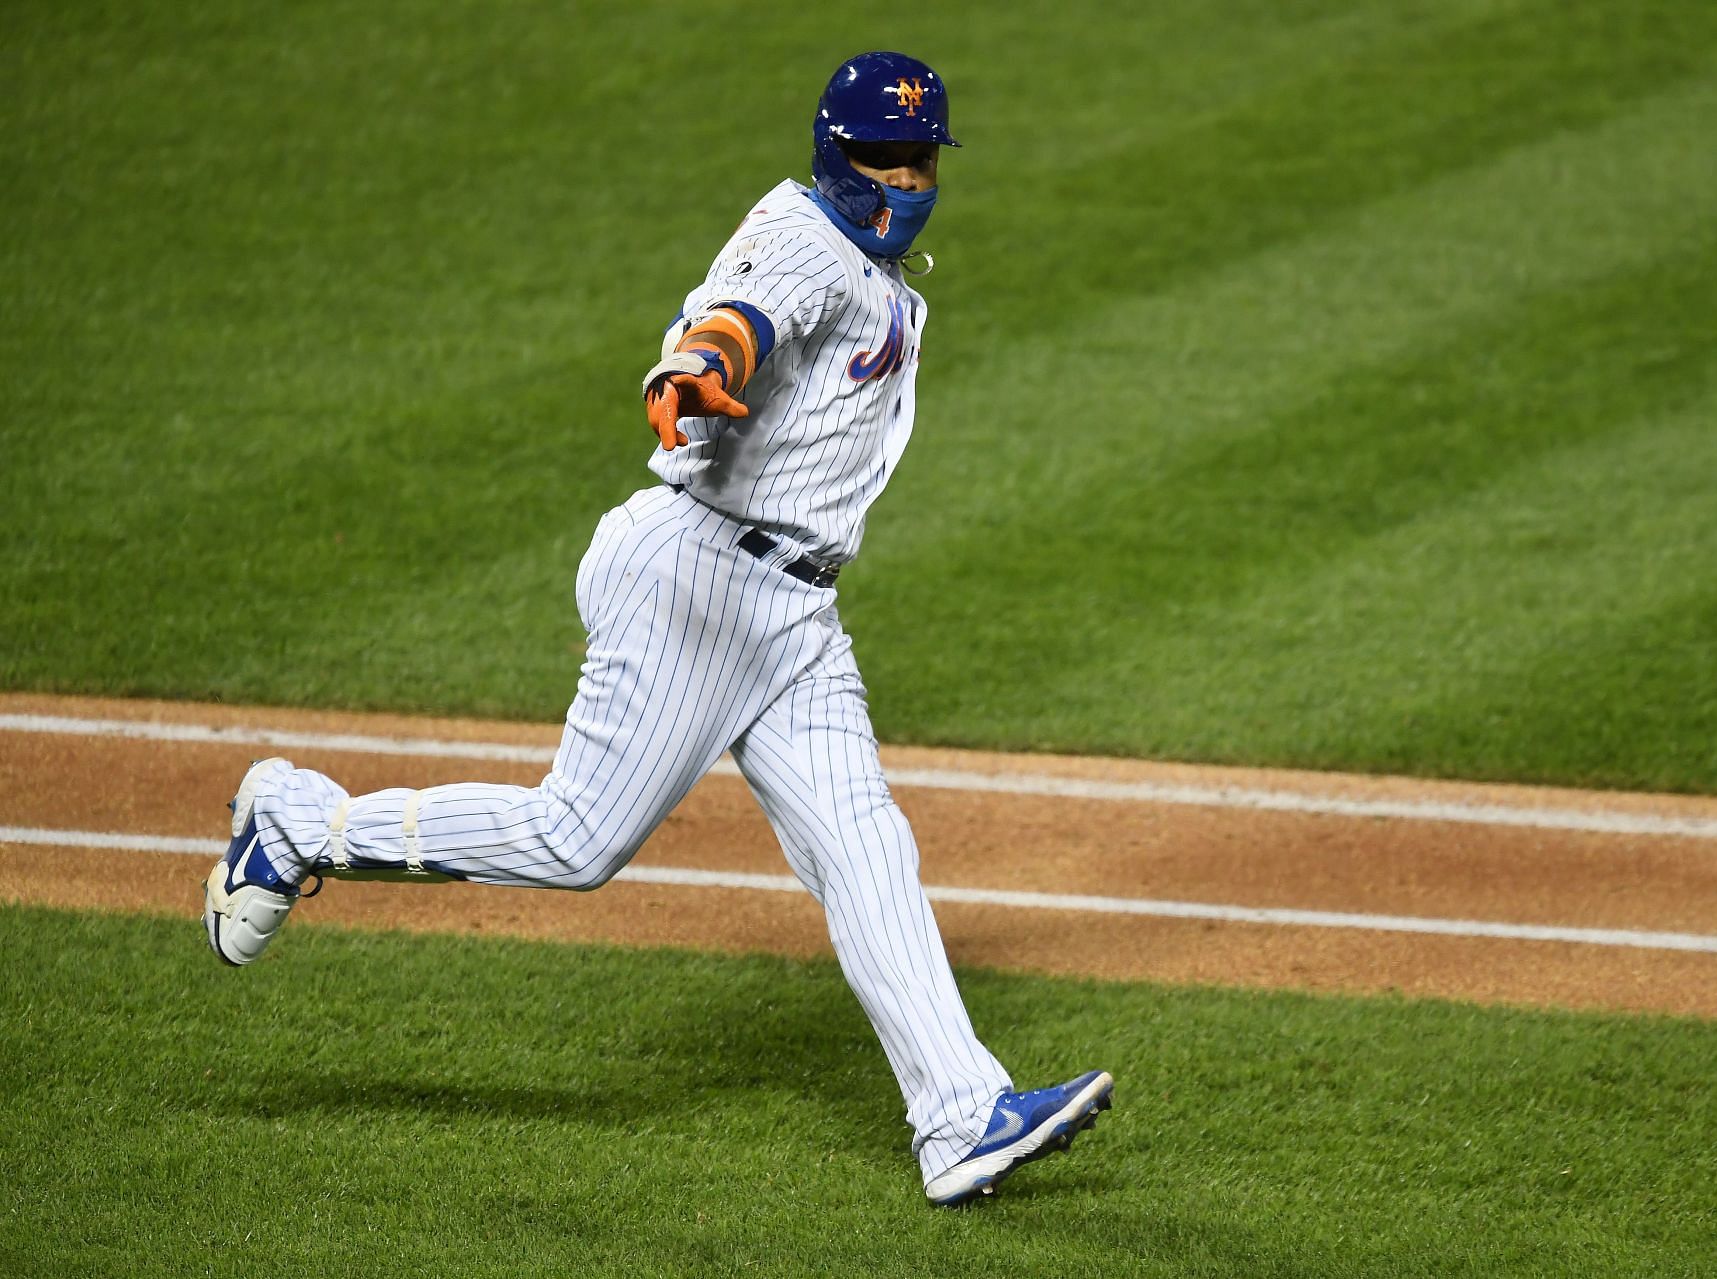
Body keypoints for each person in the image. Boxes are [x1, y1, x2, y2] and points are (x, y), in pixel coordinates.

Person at [202, 50, 1113, 1206]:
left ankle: (959, 1118)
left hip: (792, 610)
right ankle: (298, 821)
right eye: (887, 159)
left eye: (924, 158)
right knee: (575, 841)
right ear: (839, 160)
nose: (909, 179)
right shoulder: (804, 241)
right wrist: (696, 372)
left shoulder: (877, 273)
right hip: (698, 578)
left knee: (865, 848)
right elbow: (733, 321)